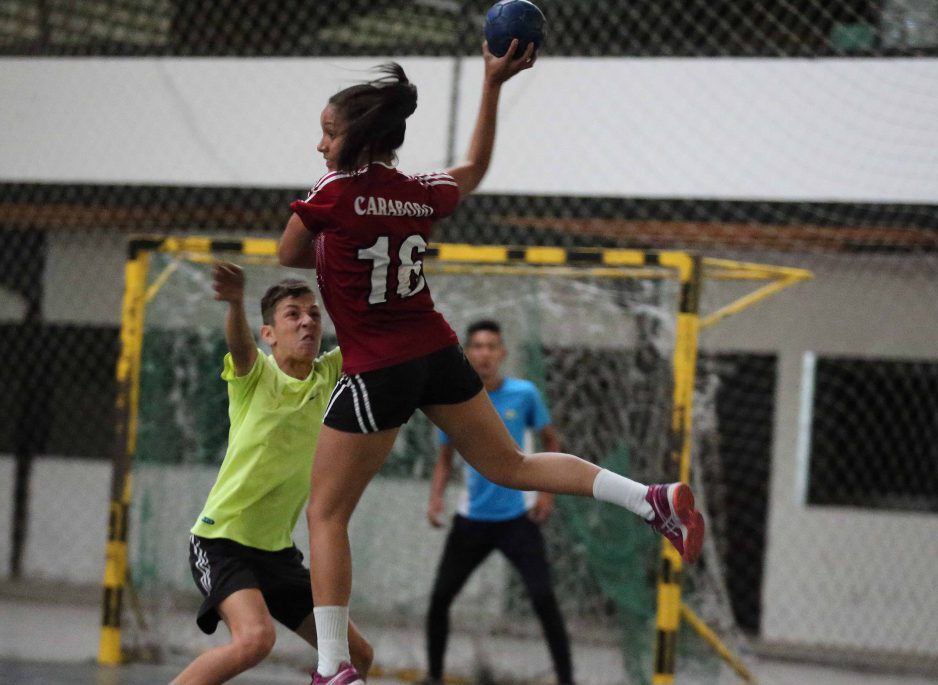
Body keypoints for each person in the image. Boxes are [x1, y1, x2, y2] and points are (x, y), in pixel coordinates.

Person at [277, 41, 704, 685]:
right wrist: (492, 82)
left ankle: (333, 666)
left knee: (326, 514)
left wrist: (335, 204)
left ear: (355, 139)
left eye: (328, 134)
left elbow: (288, 253)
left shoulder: (334, 191)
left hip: (377, 368)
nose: (320, 145)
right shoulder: (419, 192)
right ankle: (650, 499)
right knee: (513, 465)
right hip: (436, 353)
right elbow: (474, 166)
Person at [172, 264, 373, 685]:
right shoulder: (257, 376)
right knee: (255, 639)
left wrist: (378, 272)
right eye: (293, 315)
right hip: (221, 542)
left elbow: (371, 334)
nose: (307, 322)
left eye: (313, 315)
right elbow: (240, 347)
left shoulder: (328, 374)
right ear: (269, 333)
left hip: (277, 553)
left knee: (358, 655)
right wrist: (234, 302)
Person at [425, 320, 574, 685]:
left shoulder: (525, 394)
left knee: (543, 598)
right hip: (472, 521)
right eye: (477, 346)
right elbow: (445, 457)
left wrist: (546, 493)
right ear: (466, 353)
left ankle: (567, 679)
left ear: (502, 353)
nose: (485, 354)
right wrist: (436, 498)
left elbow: (551, 440)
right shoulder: (456, 400)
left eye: (491, 346)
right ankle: (434, 676)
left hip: (517, 520)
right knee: (440, 598)